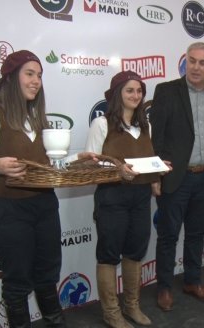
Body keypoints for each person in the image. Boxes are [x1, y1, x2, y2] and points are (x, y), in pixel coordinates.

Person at [0, 50, 97, 327]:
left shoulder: (39, 120)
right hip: (9, 210)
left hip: (44, 206)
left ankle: (55, 321)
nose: (36, 81)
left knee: (48, 275)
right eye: (30, 73)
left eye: (39, 75)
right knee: (17, 282)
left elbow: (49, 167)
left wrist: (78, 158)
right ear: (11, 77)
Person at [149, 42, 204, 311]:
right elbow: (156, 138)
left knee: (196, 234)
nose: (196, 67)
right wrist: (156, 174)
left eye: (202, 63)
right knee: (168, 236)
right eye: (192, 61)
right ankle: (164, 288)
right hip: (175, 178)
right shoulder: (166, 91)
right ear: (185, 61)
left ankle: (192, 282)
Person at [85, 70, 163, 328]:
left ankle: (132, 306)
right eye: (130, 90)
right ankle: (111, 312)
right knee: (109, 255)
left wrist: (157, 174)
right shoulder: (102, 124)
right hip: (112, 197)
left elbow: (148, 159)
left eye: (139, 91)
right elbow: (91, 166)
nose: (136, 95)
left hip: (140, 197)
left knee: (135, 251)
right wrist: (116, 170)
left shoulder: (145, 125)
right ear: (118, 94)